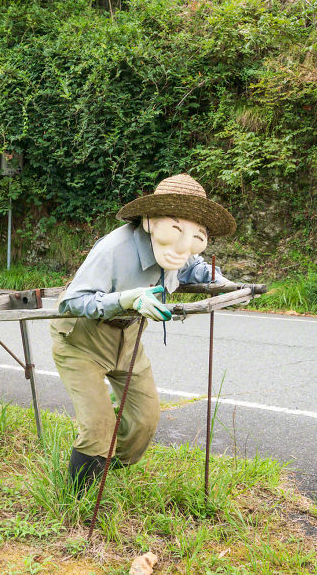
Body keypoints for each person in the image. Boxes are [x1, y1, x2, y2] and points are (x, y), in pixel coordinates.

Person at [50, 173, 236, 493]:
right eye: (176, 229)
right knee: (99, 425)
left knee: (144, 422)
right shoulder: (114, 249)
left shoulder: (179, 252)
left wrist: (218, 278)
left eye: (196, 235)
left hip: (129, 338)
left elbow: (192, 266)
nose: (184, 245)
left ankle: (105, 466)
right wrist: (129, 298)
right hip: (82, 340)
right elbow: (71, 301)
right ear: (150, 220)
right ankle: (76, 500)